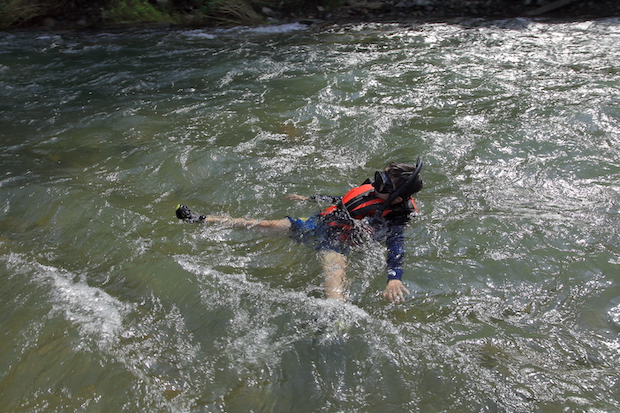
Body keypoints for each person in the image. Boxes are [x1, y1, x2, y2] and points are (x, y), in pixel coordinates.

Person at [176, 160, 423, 304]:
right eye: (379, 178)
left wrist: (394, 277)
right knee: (266, 224)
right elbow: (344, 199)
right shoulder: (372, 190)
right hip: (317, 224)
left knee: (333, 277)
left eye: (383, 184)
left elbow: (396, 247)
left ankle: (335, 319)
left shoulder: (395, 217)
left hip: (338, 242)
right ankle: (202, 219)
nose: (375, 184)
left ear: (396, 197)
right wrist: (309, 198)